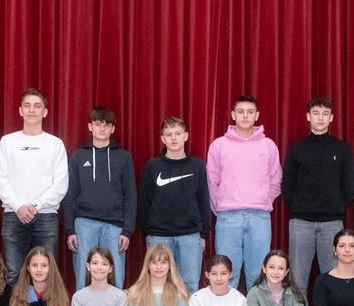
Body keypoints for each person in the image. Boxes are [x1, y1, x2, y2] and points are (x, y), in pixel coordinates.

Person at [281, 97, 354, 296]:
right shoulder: (297, 149)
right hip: (301, 222)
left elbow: (349, 187)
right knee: (298, 281)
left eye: (325, 114)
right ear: (308, 117)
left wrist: (336, 206)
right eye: (316, 113)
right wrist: (299, 207)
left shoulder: (342, 149)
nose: (320, 118)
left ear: (331, 118)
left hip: (332, 223)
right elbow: (287, 185)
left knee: (333, 279)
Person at [207, 95, 282, 289]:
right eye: (240, 112)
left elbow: (276, 180)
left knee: (258, 276)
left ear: (257, 115)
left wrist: (264, 200)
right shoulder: (219, 145)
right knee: (225, 274)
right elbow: (211, 181)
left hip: (259, 218)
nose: (245, 116)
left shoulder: (268, 146)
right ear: (233, 115)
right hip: (228, 218)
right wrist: (221, 208)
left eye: (250, 112)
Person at [0, 88, 69, 283]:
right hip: (13, 214)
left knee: (46, 274)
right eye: (27, 106)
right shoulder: (7, 142)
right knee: (13, 274)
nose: (32, 110)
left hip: (45, 216)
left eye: (37, 106)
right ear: (20, 110)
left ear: (45, 112)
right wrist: (18, 206)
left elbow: (60, 184)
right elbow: (0, 179)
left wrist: (36, 206)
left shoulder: (55, 144)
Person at [64, 107, 136, 290]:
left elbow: (130, 195)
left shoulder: (123, 157)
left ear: (112, 129)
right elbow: (70, 194)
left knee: (116, 277)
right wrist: (70, 229)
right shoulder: (79, 156)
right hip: (84, 224)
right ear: (90, 127)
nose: (102, 128)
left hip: (115, 227)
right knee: (83, 276)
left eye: (107, 125)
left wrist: (127, 230)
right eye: (97, 124)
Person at [139, 116, 211, 292]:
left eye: (177, 133)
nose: (173, 138)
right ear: (163, 139)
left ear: (185, 136)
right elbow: (145, 201)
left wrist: (203, 234)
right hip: (159, 236)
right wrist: (148, 231)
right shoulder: (153, 166)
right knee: (160, 285)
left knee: (190, 286)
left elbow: (203, 200)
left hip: (190, 236)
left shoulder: (198, 166)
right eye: (169, 134)